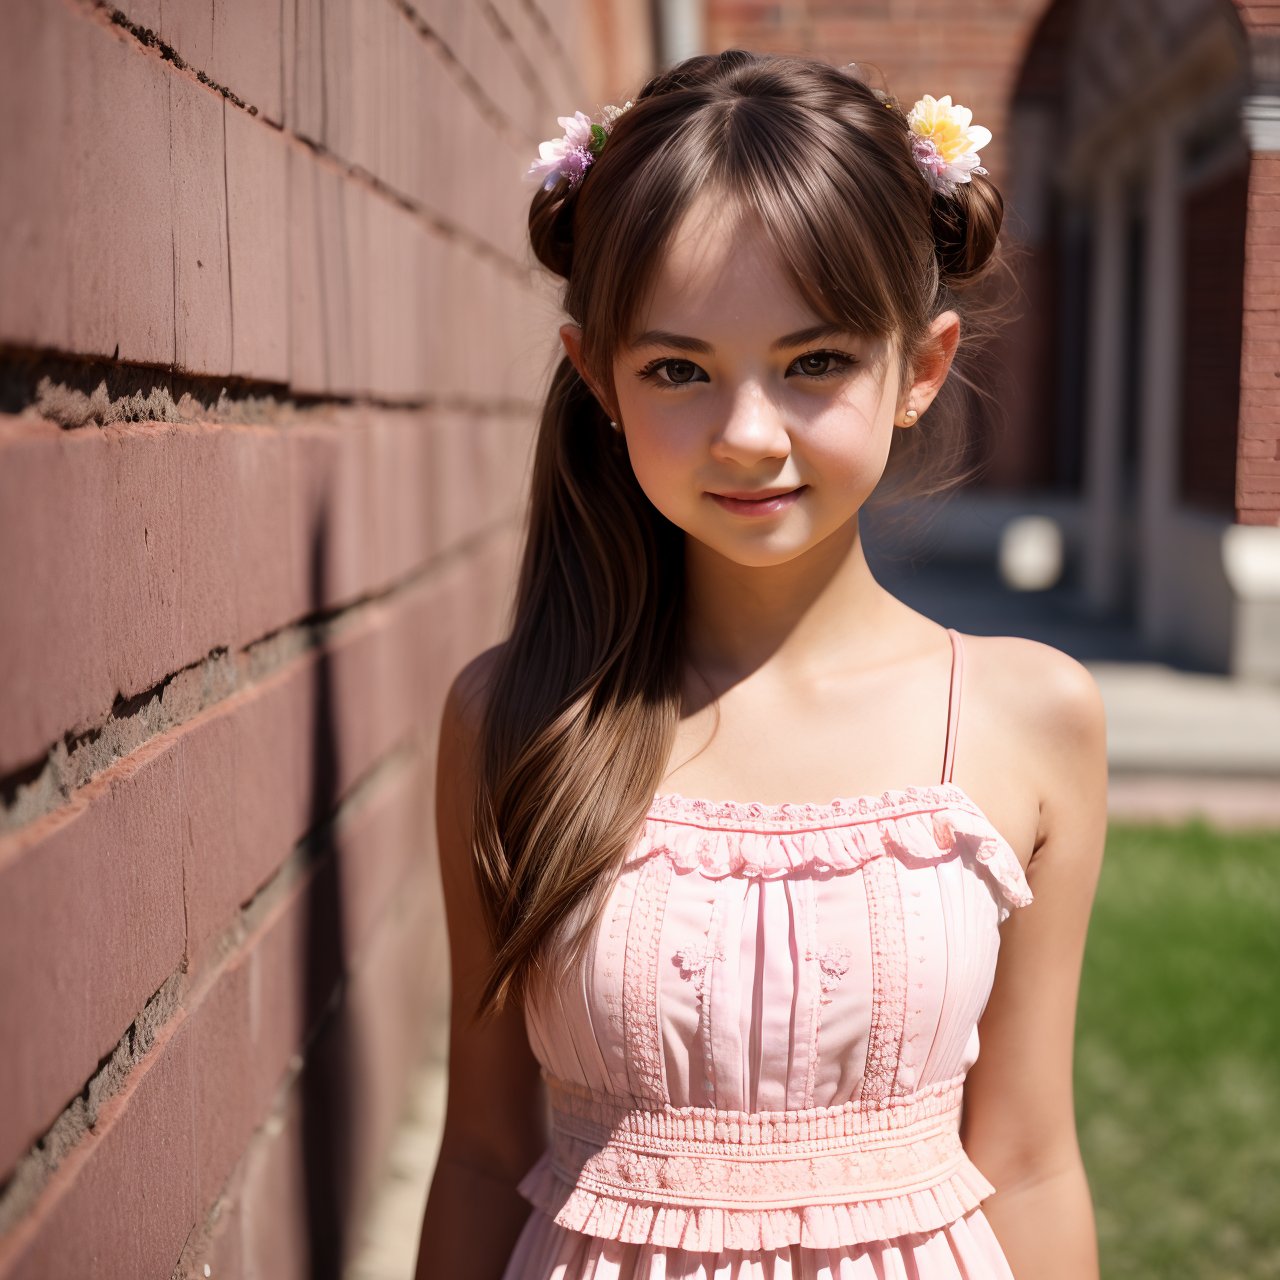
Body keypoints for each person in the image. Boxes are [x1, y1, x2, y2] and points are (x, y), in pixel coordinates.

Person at [416, 48, 1107, 1280]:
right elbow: (478, 1148)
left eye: (814, 362)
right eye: (678, 368)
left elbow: (1032, 1152)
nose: (747, 435)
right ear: (599, 378)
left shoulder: (1029, 717)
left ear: (921, 366)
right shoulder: (516, 716)